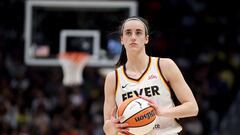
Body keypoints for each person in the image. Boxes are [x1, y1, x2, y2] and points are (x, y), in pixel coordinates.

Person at [103, 16, 199, 135]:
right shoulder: (113, 78)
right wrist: (112, 126)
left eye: (138, 33)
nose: (133, 37)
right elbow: (108, 129)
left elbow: (192, 108)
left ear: (146, 39)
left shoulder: (165, 66)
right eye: (128, 33)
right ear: (122, 39)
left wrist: (160, 112)